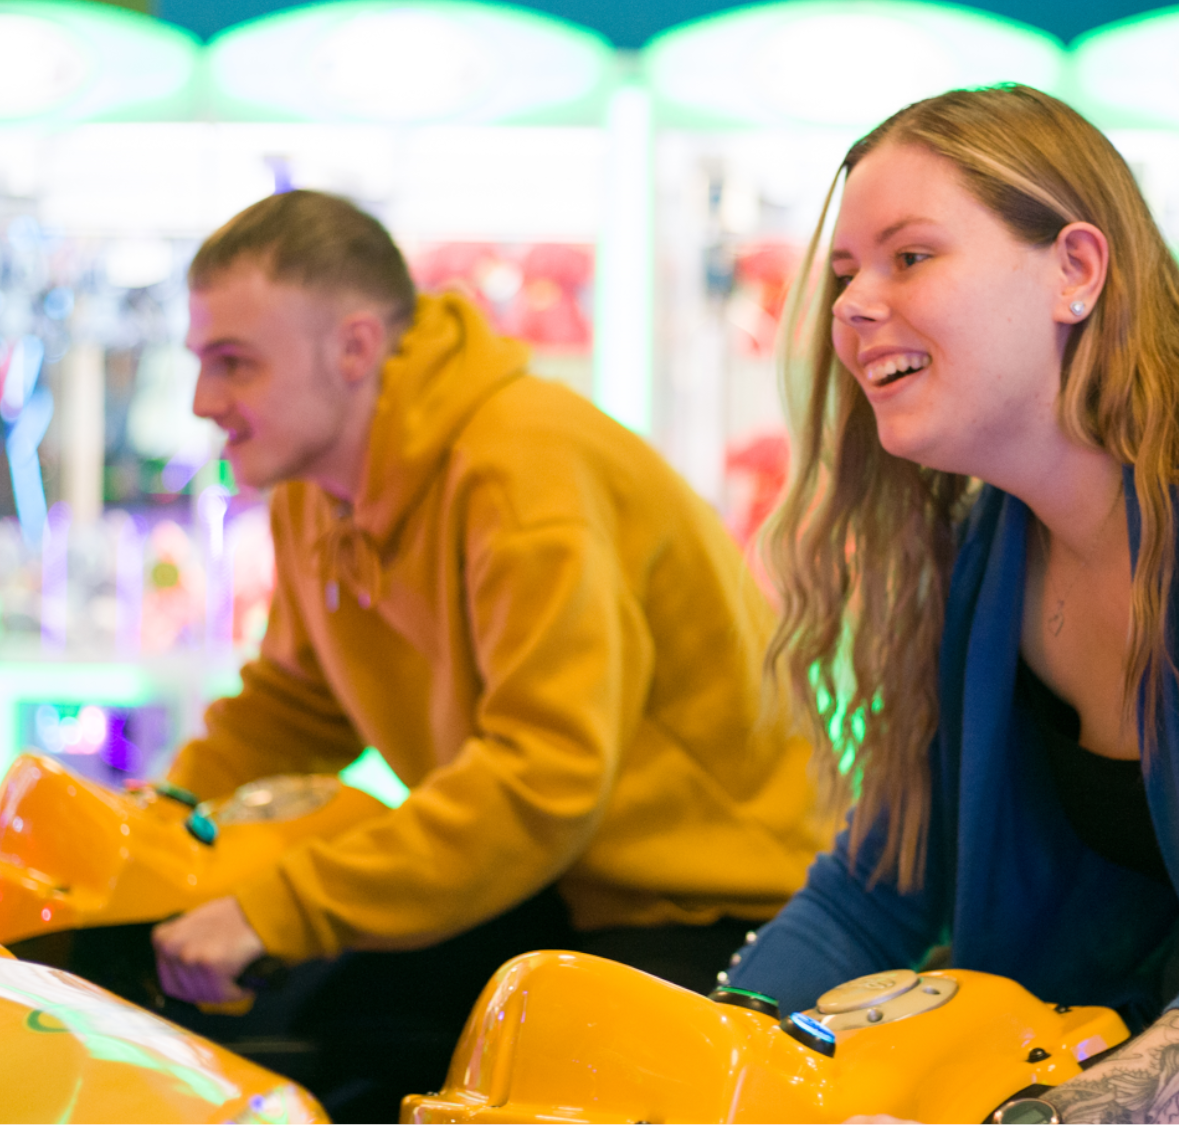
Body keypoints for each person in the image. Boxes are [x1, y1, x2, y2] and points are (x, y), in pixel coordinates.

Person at [725, 85, 1179, 1123]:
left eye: (910, 256)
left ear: (1075, 269)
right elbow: (876, 891)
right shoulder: (994, 544)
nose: (851, 305)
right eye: (847, 272)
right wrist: (694, 1056)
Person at [150, 190, 822, 1119]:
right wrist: (158, 827)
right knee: (297, 1033)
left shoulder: (520, 467)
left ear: (353, 349)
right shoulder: (318, 486)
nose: (203, 401)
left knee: (368, 1064)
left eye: (234, 363)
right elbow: (294, 706)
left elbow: (545, 776)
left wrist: (278, 907)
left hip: (716, 910)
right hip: (563, 886)